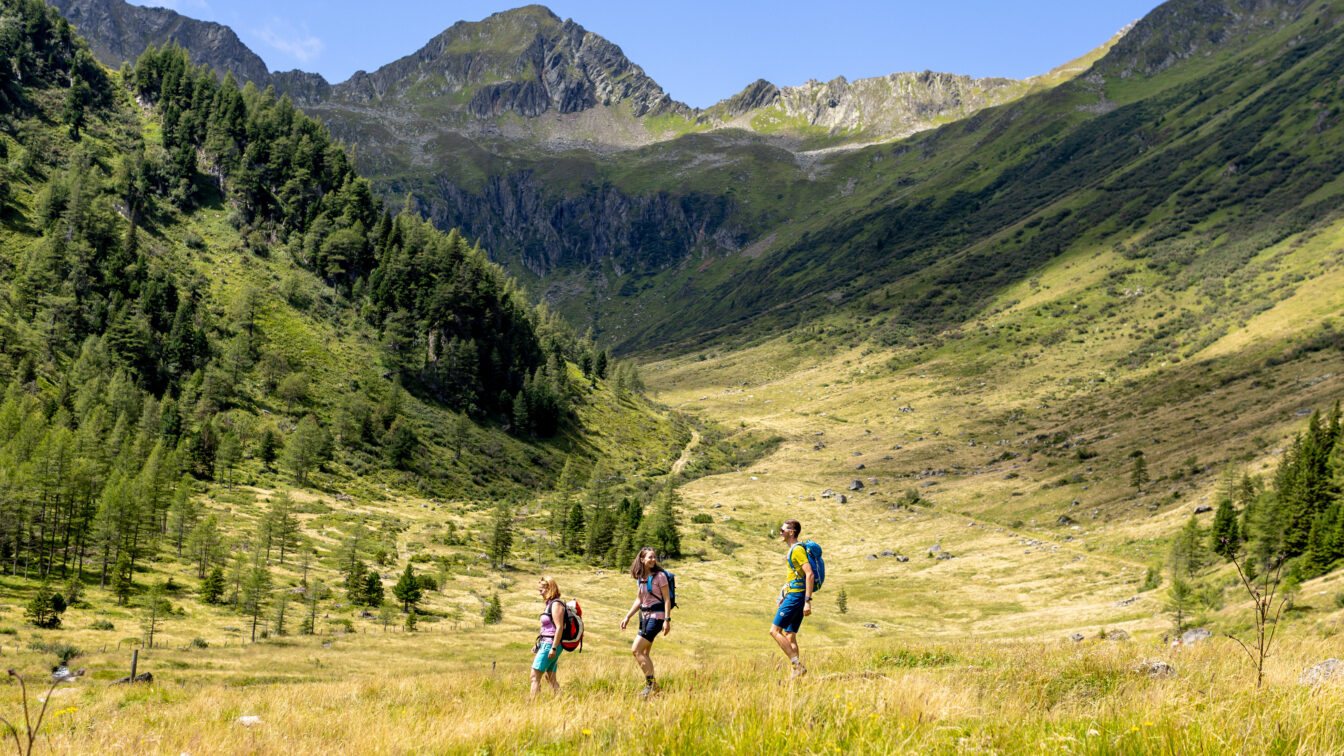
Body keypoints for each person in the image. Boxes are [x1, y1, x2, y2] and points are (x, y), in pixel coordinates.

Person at [621, 546, 671, 696]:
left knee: (636, 650)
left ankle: (652, 685)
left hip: (657, 618)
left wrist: (667, 620)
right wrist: (627, 617)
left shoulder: (660, 576)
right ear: (642, 560)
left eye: (654, 557)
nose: (653, 560)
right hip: (645, 618)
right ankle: (651, 688)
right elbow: (639, 600)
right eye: (650, 557)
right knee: (644, 652)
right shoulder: (641, 579)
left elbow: (667, 599)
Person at [769, 519, 812, 679]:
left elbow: (809, 573)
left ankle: (797, 665)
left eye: (783, 530)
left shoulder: (797, 550)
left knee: (774, 631)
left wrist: (807, 601)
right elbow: (796, 576)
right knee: (790, 635)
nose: (780, 532)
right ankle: (796, 673)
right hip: (794, 594)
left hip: (797, 596)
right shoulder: (794, 550)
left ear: (791, 532)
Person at [530, 576, 566, 699]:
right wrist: (538, 645)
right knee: (549, 677)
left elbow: (559, 627)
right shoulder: (550, 604)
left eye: (541, 590)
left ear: (549, 588)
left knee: (534, 676)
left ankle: (532, 705)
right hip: (546, 644)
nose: (540, 593)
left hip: (550, 645)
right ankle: (560, 701)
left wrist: (554, 648)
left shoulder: (556, 604)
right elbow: (548, 629)